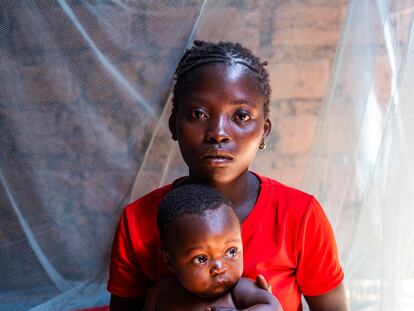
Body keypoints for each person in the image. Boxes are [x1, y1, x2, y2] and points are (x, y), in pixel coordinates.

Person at [108, 41, 349, 311]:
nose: (218, 132)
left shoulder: (300, 216)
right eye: (199, 114)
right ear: (174, 125)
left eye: (242, 116)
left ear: (264, 132)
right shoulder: (138, 221)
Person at [143, 183, 280, 310]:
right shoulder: (160, 295)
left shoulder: (240, 290)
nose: (219, 268)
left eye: (231, 252)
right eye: (201, 259)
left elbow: (273, 307)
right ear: (168, 260)